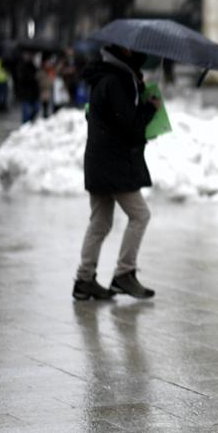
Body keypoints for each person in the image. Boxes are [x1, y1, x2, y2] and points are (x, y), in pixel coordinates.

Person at [73, 45, 161, 301]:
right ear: (123, 53)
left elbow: (118, 116)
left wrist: (140, 93)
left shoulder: (110, 76)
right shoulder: (115, 80)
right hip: (113, 162)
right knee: (140, 215)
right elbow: (129, 125)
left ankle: (84, 279)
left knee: (100, 222)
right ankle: (124, 273)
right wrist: (150, 109)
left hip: (102, 160)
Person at [14, 54, 40, 124]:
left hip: (34, 92)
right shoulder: (21, 66)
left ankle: (29, 122)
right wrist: (33, 77)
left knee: (36, 108)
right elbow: (22, 78)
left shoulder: (33, 65)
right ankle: (25, 125)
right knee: (26, 111)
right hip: (25, 92)